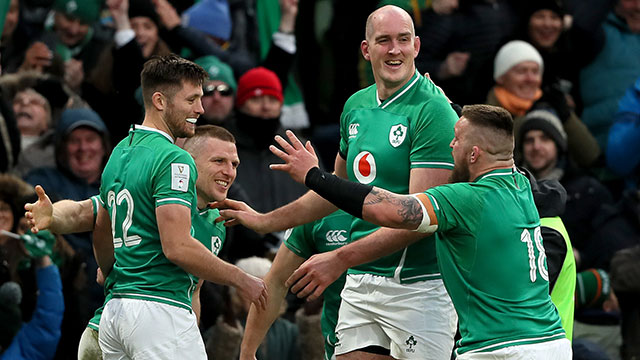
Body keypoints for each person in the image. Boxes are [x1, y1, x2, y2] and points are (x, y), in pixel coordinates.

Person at [218, 5, 459, 359]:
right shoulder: (356, 106)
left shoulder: (434, 112)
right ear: (367, 49)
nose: (395, 50)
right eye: (384, 41)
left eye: (403, 40)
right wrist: (264, 219)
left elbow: (419, 220)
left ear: (417, 46)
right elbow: (337, 193)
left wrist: (339, 258)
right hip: (362, 284)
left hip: (416, 288)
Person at [255, 104, 571, 358]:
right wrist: (438, 104)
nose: (449, 144)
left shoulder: (466, 199)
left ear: (474, 155)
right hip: (552, 343)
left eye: (456, 139)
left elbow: (386, 209)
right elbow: (490, 138)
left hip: (499, 348)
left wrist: (314, 176)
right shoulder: (522, 188)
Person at [91, 54, 266, 359]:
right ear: (160, 101)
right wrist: (241, 279)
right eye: (192, 99)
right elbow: (178, 247)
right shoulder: (174, 158)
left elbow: (101, 230)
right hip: (158, 310)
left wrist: (111, 274)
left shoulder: (121, 150)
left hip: (115, 312)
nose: (201, 108)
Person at [240, 210, 352, 360]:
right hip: (340, 342)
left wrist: (340, 258)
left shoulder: (389, 200)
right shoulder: (319, 211)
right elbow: (276, 281)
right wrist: (247, 352)